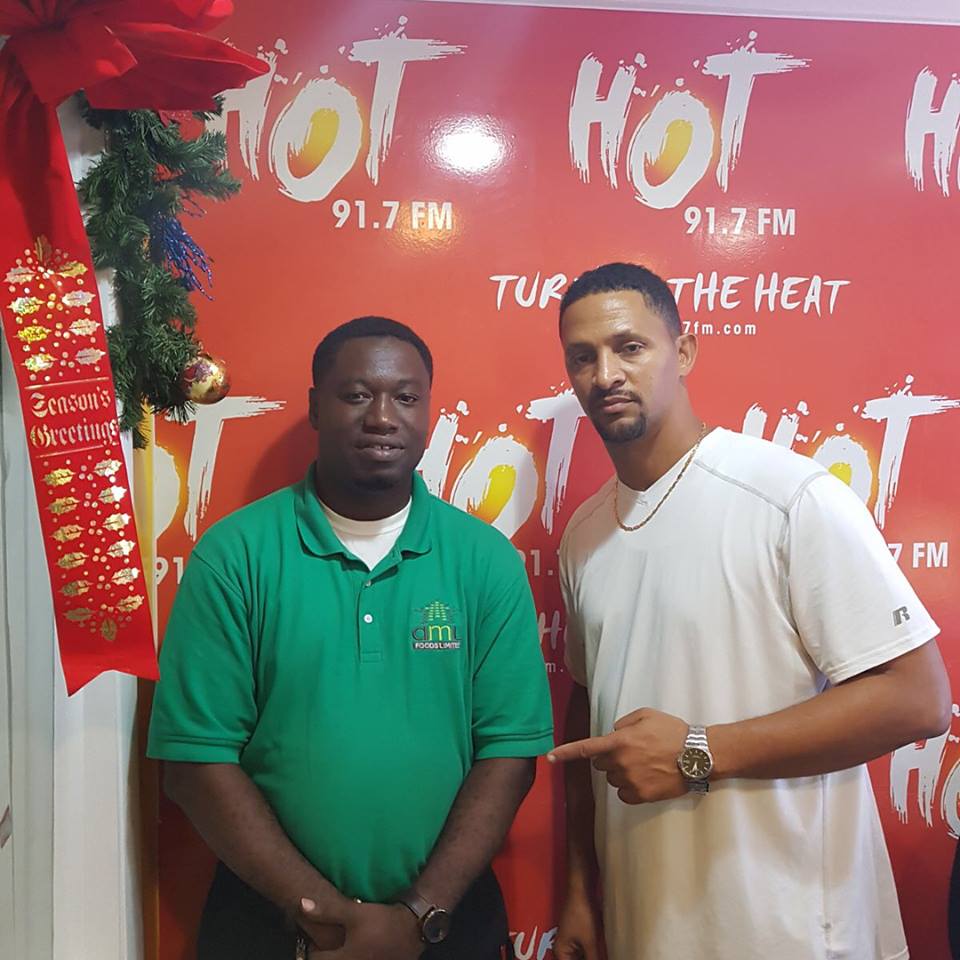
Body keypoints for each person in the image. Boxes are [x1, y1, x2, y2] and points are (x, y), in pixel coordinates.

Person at [547, 262, 950, 960]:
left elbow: (917, 699)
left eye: (629, 347)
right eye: (583, 357)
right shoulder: (583, 535)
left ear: (684, 351)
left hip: (792, 928)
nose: (605, 374)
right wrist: (582, 889)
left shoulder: (787, 496)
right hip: (649, 921)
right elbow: (591, 714)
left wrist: (696, 751)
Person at [147, 316, 554, 960]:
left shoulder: (485, 561)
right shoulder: (235, 555)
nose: (383, 417)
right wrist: (325, 916)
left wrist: (418, 915)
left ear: (428, 411)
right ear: (316, 407)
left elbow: (509, 756)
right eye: (357, 395)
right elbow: (196, 764)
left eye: (406, 397)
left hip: (446, 920)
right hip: (270, 924)